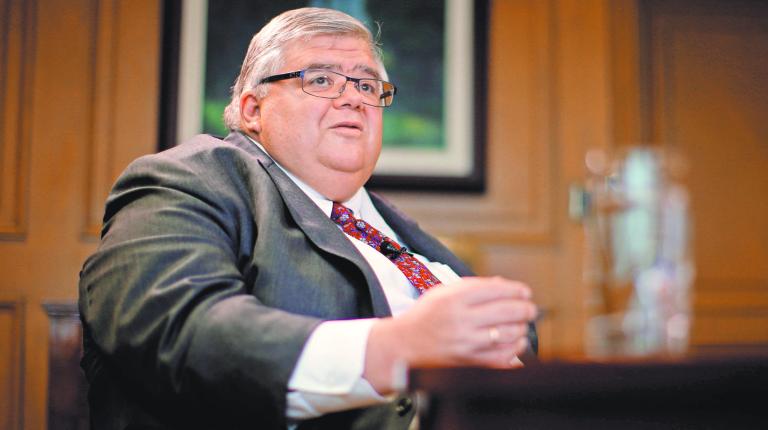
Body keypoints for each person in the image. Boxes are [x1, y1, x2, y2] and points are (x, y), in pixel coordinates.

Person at [79, 7, 538, 430]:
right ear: (252, 109)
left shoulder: (395, 228)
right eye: (320, 80)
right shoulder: (191, 179)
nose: (353, 99)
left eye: (366, 85)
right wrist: (395, 349)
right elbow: (178, 331)